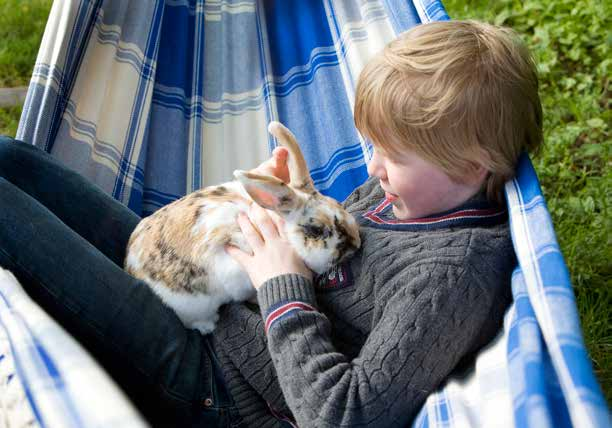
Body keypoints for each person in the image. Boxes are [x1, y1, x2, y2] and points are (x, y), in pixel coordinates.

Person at [0, 20, 542, 427]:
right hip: (209, 293)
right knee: (11, 161)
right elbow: (322, 240)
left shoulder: (450, 275)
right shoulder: (412, 194)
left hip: (220, 384)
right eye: (373, 146)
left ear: (473, 165)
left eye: (393, 156)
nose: (373, 168)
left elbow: (346, 416)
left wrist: (282, 288)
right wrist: (280, 203)